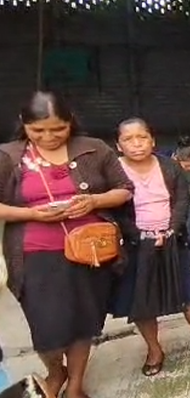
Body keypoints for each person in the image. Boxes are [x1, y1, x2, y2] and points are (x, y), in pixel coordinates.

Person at [0, 91, 134, 398]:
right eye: (38, 130)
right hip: (36, 256)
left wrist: (94, 201)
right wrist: (32, 214)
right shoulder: (8, 156)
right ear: (23, 123)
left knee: (83, 322)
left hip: (90, 251)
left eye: (58, 129)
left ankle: (75, 384)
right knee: (47, 330)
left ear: (70, 121)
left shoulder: (94, 149)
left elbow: (124, 189)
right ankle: (55, 370)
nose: (48, 137)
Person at [109, 118, 190, 377]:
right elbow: (115, 212)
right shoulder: (113, 172)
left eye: (142, 137)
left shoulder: (169, 166)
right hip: (136, 245)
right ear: (118, 145)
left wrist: (170, 231)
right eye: (128, 139)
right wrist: (141, 235)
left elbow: (181, 201)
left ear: (152, 140)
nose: (137, 144)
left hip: (172, 241)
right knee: (142, 301)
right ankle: (154, 351)